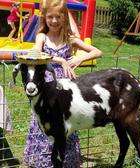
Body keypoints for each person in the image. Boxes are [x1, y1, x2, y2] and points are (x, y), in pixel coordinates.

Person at [23, 0, 102, 167]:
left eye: (58, 17)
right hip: (46, 90)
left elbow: (97, 51)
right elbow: (36, 53)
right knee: (45, 122)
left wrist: (80, 58)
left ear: (64, 18)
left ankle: (67, 160)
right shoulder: (42, 37)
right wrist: (61, 61)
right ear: (44, 18)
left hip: (67, 90)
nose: (54, 21)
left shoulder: (70, 39)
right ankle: (43, 161)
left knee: (68, 123)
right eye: (50, 17)